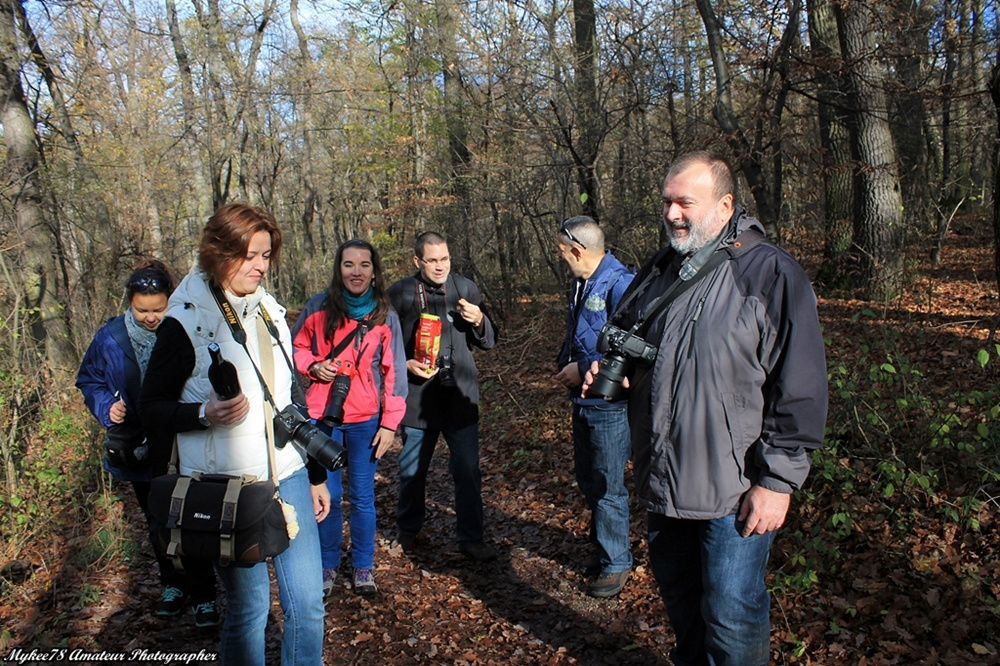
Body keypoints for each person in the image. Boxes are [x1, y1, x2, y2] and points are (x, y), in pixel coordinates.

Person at [583, 152, 827, 665]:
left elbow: (800, 386)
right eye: (667, 202)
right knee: (681, 605)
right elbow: (645, 352)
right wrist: (618, 375)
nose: (672, 214)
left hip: (734, 488)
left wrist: (776, 481)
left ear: (725, 204)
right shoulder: (660, 268)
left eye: (684, 203)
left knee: (732, 614)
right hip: (664, 478)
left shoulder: (769, 274)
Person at [140, 203, 330, 666]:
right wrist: (203, 412)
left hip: (287, 474)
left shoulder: (269, 310)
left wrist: (317, 473)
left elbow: (291, 397)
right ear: (218, 252)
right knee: (250, 608)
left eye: (266, 255)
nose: (260, 266)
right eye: (249, 255)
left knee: (308, 607)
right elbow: (150, 410)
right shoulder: (183, 323)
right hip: (227, 489)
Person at [76, 261, 219, 625]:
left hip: (184, 439)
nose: (152, 318)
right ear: (130, 304)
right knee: (157, 519)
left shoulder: (186, 327)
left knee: (191, 516)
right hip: (140, 448)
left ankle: (204, 593)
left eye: (158, 309)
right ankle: (172, 584)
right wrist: (108, 406)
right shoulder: (110, 338)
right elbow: (89, 379)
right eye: (143, 310)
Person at [291, 240, 407, 597]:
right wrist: (313, 365)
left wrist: (390, 423)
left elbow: (395, 372)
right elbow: (293, 348)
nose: (356, 271)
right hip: (322, 419)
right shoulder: (318, 307)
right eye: (348, 264)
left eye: (364, 264)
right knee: (326, 496)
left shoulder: (385, 315)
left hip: (365, 420)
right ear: (338, 269)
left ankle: (362, 566)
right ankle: (327, 564)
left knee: (362, 497)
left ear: (374, 272)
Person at [388, 231, 498, 562]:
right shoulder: (400, 294)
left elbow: (489, 341)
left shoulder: (465, 288)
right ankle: (408, 532)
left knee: (467, 470)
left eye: (445, 259)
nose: (440, 266)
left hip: (460, 396)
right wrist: (403, 362)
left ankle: (471, 538)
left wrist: (480, 321)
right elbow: (385, 345)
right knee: (412, 470)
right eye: (432, 260)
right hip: (418, 399)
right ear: (417, 261)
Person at [554, 216, 635, 598]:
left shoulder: (621, 284)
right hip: (582, 399)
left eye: (561, 250)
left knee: (608, 485)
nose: (560, 257)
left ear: (577, 249)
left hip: (609, 404)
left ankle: (616, 562)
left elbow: (631, 349)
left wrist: (583, 368)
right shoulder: (580, 283)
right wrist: (564, 363)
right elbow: (579, 333)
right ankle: (604, 546)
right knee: (588, 479)